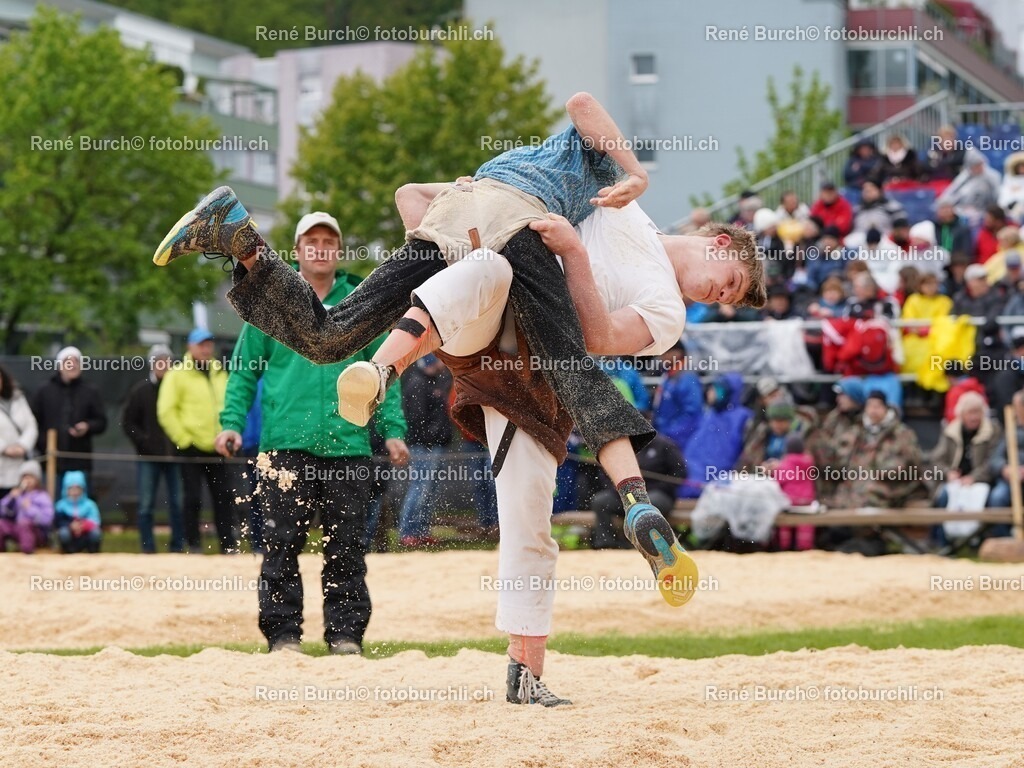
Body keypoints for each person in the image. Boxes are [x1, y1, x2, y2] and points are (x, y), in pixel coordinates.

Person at [153, 93, 764, 588]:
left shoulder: (656, 291)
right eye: (728, 282)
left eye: (728, 299)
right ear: (720, 241)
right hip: (517, 236)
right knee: (575, 373)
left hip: (466, 216)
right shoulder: (619, 199)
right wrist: (635, 174)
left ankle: (240, 240)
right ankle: (635, 500)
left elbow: (409, 198)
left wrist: (461, 214)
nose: (719, 297)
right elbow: (582, 104)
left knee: (330, 335)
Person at [216, 211, 409, 654]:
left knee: (346, 548)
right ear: (298, 251)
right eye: (311, 241)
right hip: (284, 446)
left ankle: (345, 636)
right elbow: (244, 371)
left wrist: (393, 430)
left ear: (338, 251)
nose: (320, 247)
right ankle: (283, 637)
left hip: (349, 445)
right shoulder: (273, 305)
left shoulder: (361, 303)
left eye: (329, 240)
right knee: (280, 545)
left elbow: (384, 372)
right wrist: (230, 423)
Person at [157, 329, 237, 554]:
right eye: (201, 344)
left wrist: (228, 432)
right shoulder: (177, 374)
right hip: (191, 447)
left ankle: (228, 545)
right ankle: (193, 545)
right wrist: (184, 439)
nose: (206, 349)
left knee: (223, 498)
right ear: (189, 347)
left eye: (209, 344)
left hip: (219, 446)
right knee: (192, 498)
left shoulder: (220, 372)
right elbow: (166, 411)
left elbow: (229, 404)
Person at [121, 344, 185, 553]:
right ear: (152, 364)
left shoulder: (179, 390)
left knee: (177, 504)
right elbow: (128, 423)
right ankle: (147, 548)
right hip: (148, 457)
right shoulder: (141, 391)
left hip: (174, 456)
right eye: (158, 360)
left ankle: (177, 547)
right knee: (146, 505)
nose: (163, 364)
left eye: (166, 360)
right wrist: (144, 442)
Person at [396, 354, 452, 548]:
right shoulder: (417, 383)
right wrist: (430, 438)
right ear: (431, 362)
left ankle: (421, 530)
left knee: (428, 491)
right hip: (424, 447)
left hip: (433, 445)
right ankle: (408, 532)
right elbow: (415, 419)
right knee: (419, 489)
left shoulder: (430, 381)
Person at [590, 434, 684, 549]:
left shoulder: (664, 444)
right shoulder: (618, 445)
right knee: (600, 501)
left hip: (658, 493)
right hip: (625, 494)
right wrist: (618, 489)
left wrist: (654, 489)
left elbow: (680, 473)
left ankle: (649, 545)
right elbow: (604, 474)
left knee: (650, 503)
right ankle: (605, 543)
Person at [31, 346, 107, 487]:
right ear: (60, 366)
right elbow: (33, 423)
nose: (72, 365)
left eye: (76, 362)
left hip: (79, 462)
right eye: (68, 362)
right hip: (50, 462)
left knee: (78, 507)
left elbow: (101, 422)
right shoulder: (44, 391)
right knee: (51, 504)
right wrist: (44, 445)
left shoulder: (90, 391)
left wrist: (87, 426)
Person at [927, 391, 1001, 509]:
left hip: (981, 481)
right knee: (943, 497)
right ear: (961, 414)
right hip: (954, 481)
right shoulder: (950, 432)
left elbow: (992, 461)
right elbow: (936, 459)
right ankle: (938, 528)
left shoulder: (992, 431)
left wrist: (974, 477)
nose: (974, 417)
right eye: (970, 413)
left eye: (977, 412)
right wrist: (948, 473)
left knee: (992, 498)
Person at [652, 340, 703, 453]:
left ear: (677, 353)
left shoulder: (687, 378)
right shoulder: (668, 375)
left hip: (680, 442)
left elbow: (692, 414)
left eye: (665, 352)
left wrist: (669, 434)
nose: (661, 357)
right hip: (665, 438)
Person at [0, 364, 38, 498]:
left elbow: (31, 425)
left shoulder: (18, 399)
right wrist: (4, 448)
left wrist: (23, 446)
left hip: (19, 470)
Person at [772, 435, 816, 551]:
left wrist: (773, 471)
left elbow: (778, 481)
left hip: (790, 501)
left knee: (785, 525)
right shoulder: (809, 462)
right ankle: (805, 547)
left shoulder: (785, 463)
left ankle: (785, 546)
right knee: (805, 525)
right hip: (807, 501)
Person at [0, 460, 53, 553]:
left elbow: (47, 520)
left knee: (24, 524)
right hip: (18, 529)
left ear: (37, 479)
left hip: (37, 532)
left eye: (30, 477)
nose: (27, 480)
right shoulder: (18, 495)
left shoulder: (42, 496)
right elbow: (4, 512)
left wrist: (29, 508)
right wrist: (10, 499)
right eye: (24, 477)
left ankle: (27, 552)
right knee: (1, 524)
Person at [937, 148, 1001, 216]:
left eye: (979, 164)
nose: (978, 168)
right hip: (962, 211)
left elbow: (997, 197)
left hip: (985, 211)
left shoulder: (993, 176)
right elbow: (950, 193)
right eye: (974, 165)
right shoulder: (964, 176)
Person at [54, 470, 101, 553]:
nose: (75, 492)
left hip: (85, 534)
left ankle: (93, 553)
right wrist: (70, 525)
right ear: (66, 489)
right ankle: (67, 553)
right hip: (69, 535)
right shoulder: (61, 505)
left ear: (83, 489)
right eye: (71, 489)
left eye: (78, 488)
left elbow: (95, 520)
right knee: (63, 533)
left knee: (96, 533)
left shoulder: (90, 504)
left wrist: (83, 526)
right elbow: (57, 522)